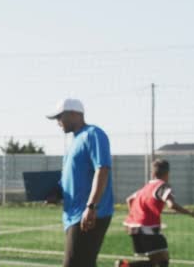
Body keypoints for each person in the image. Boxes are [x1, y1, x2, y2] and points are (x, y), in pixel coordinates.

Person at [46, 98, 114, 267]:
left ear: (75, 114)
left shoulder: (93, 133)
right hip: (74, 215)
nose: (58, 122)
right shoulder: (74, 142)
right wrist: (56, 193)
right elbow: (69, 179)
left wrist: (91, 207)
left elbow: (102, 169)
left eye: (60, 117)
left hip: (89, 214)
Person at [115, 159, 194, 267]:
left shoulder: (146, 187)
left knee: (155, 262)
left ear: (152, 173)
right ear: (167, 174)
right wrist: (193, 214)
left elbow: (129, 199)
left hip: (132, 226)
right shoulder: (163, 186)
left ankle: (124, 265)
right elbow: (171, 205)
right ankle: (124, 266)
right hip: (147, 228)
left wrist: (135, 217)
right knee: (163, 261)